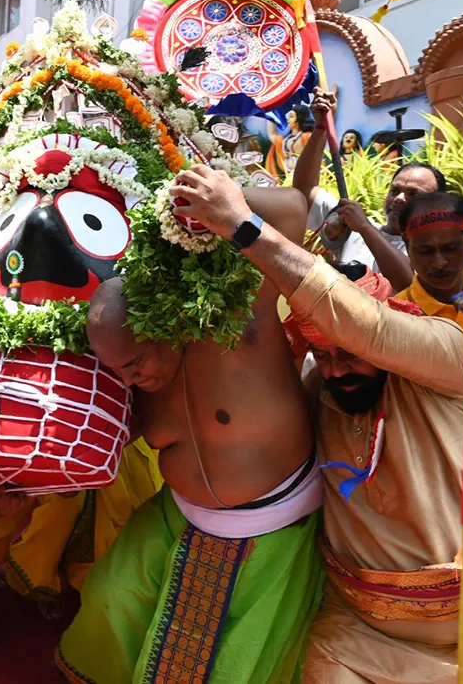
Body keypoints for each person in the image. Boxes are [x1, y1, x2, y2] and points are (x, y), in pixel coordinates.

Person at [166, 163, 463, 684]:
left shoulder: (446, 353)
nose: (336, 369)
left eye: (347, 355)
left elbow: (362, 326)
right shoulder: (324, 392)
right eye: (321, 356)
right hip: (354, 627)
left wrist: (242, 224)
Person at [56, 183, 325, 683]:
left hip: (275, 526)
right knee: (108, 603)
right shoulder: (133, 384)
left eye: (135, 362)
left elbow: (292, 209)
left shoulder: (235, 321)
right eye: (117, 370)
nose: (129, 380)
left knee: (239, 668)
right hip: (178, 518)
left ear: (163, 324)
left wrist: (181, 197)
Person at [293, 89, 448, 291]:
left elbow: (406, 284)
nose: (400, 199)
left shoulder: (439, 251)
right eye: (395, 191)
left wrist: (366, 228)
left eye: (414, 195)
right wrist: (321, 127)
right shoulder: (351, 228)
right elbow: (304, 191)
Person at [394, 191, 463, 330]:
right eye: (425, 251)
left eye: (451, 248)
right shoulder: (393, 319)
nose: (439, 263)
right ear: (407, 247)